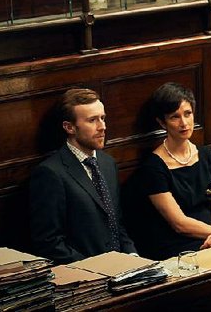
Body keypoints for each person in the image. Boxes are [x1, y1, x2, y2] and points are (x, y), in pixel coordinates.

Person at [126, 82, 211, 260]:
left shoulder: (206, 155)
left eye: (188, 114)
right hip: (178, 245)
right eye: (175, 117)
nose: (184, 123)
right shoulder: (153, 167)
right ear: (161, 122)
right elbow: (179, 223)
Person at [29, 88, 137, 263]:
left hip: (123, 270)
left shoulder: (108, 163)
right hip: (87, 277)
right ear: (69, 127)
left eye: (103, 118)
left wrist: (133, 257)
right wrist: (95, 270)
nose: (102, 127)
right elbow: (49, 243)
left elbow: (116, 224)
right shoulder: (50, 174)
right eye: (92, 120)